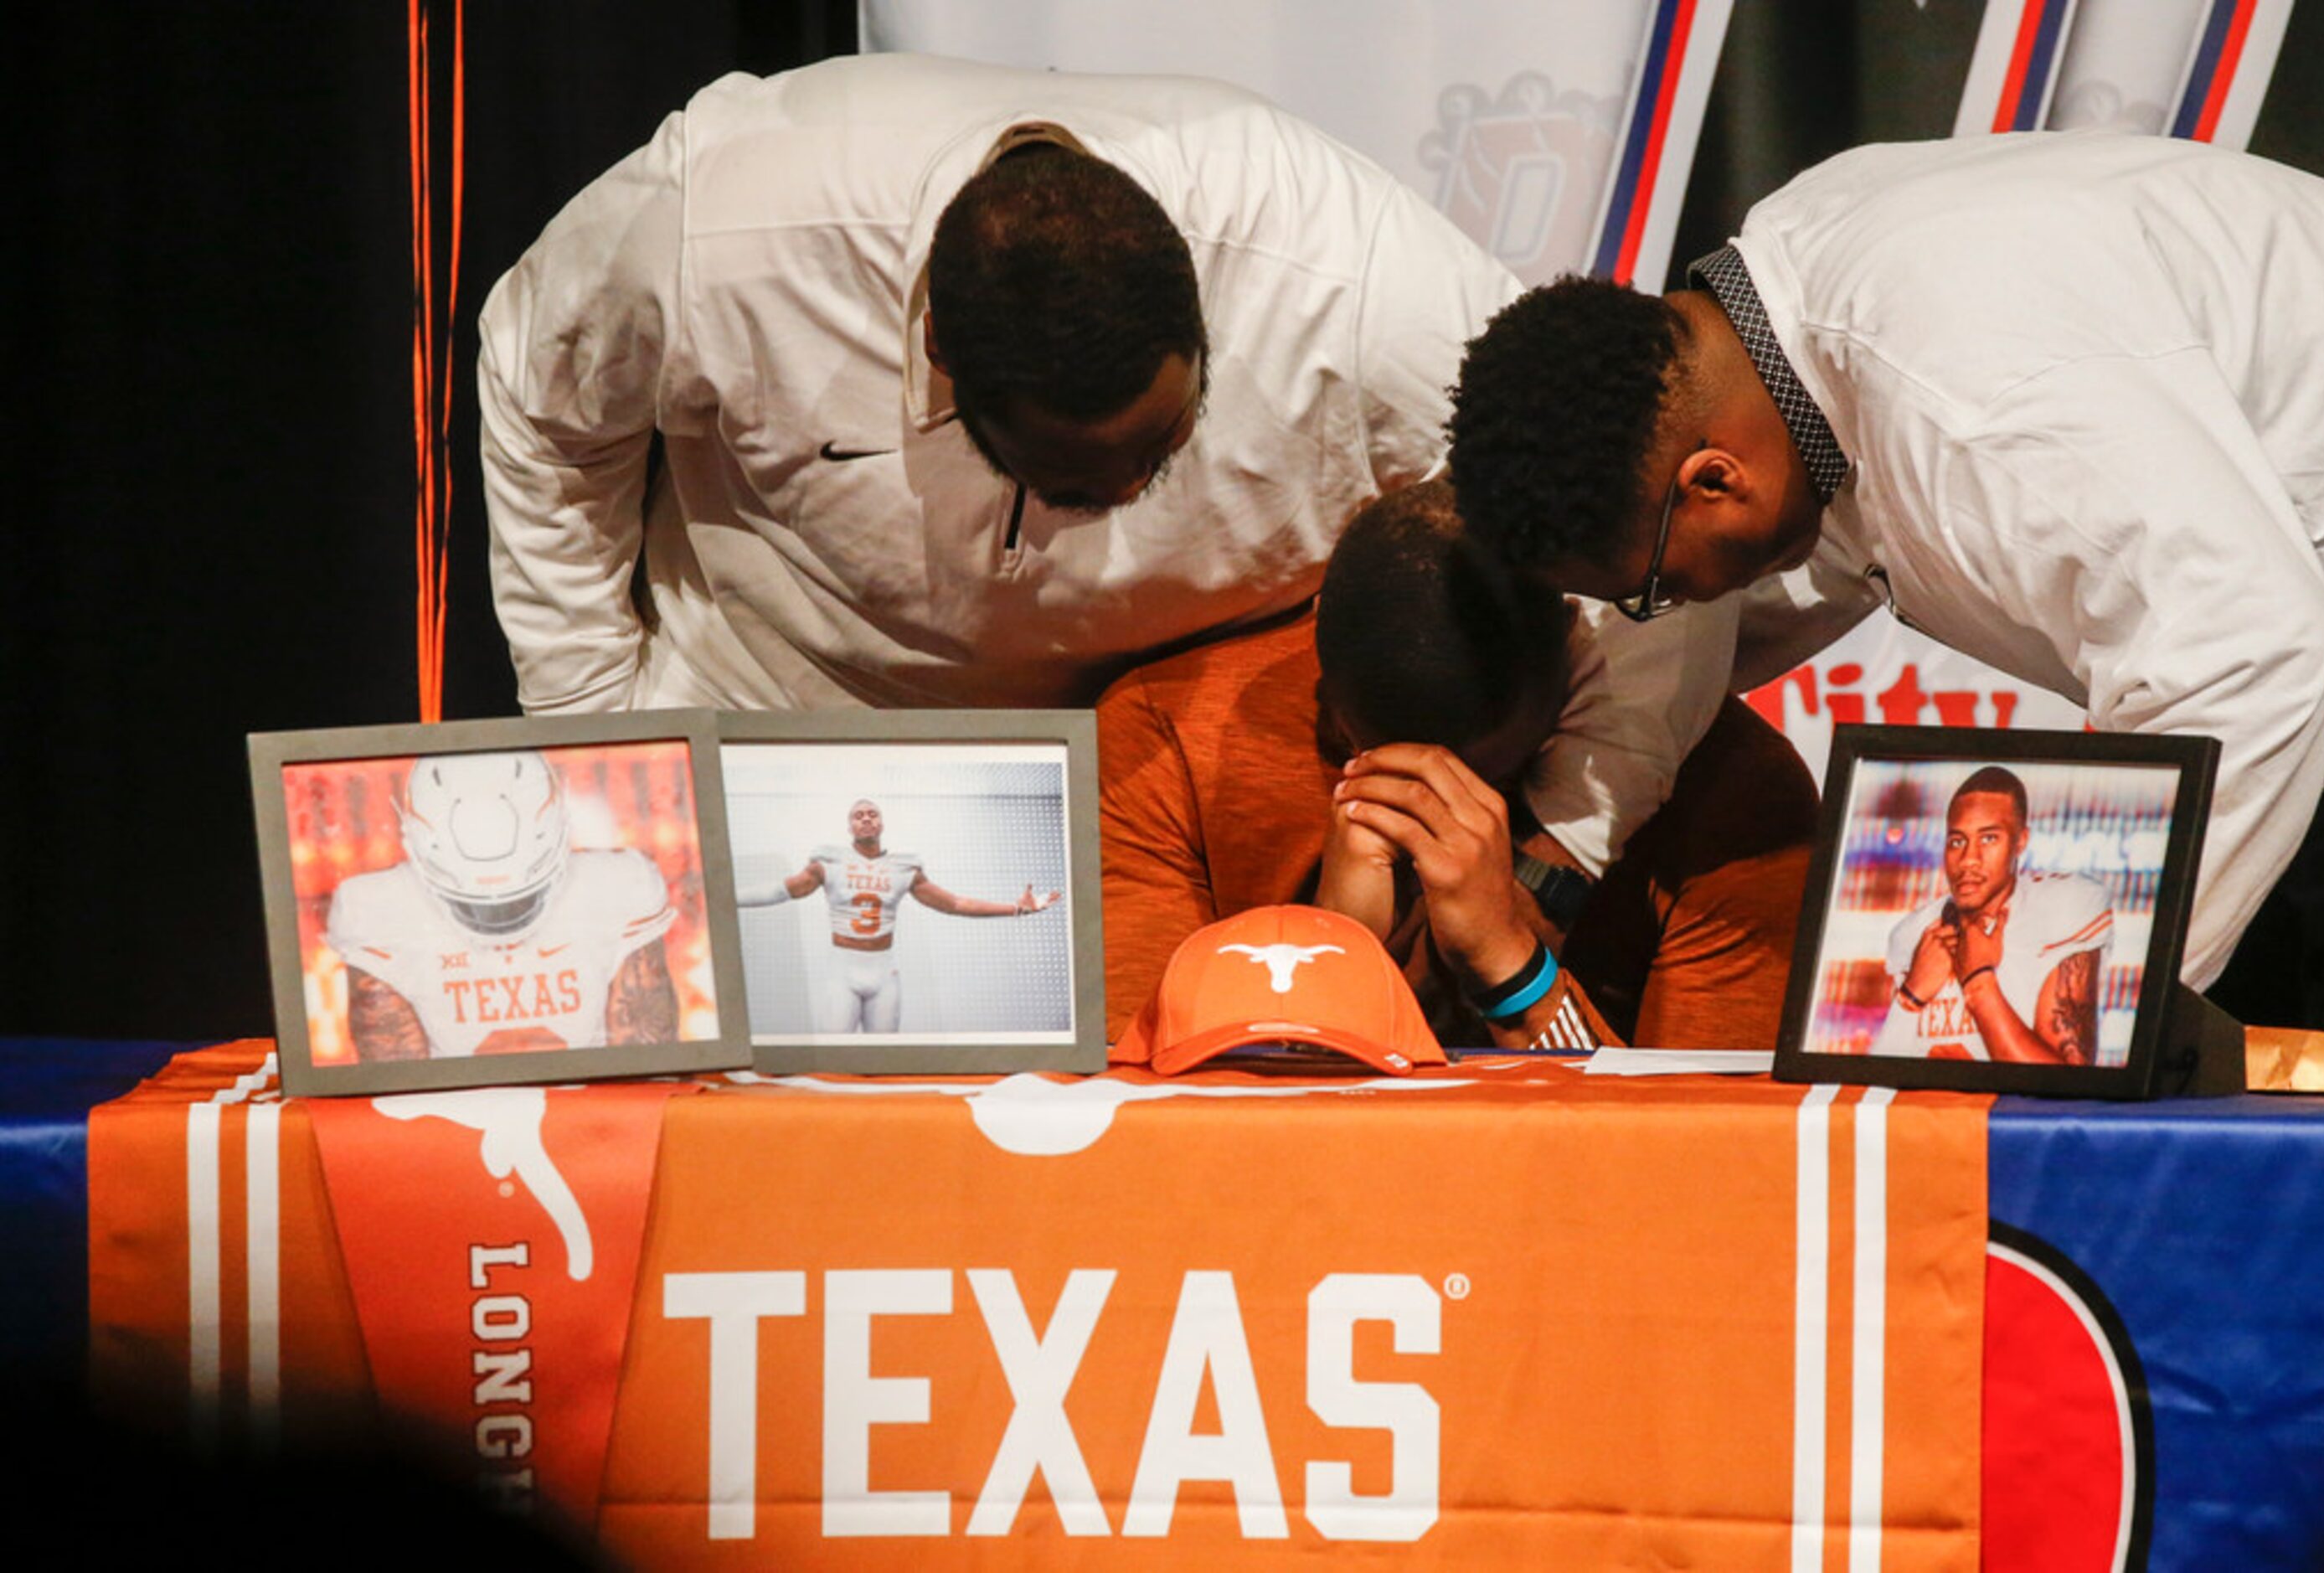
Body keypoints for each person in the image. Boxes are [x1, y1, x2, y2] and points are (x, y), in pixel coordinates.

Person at [478, 52, 1726, 886]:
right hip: (774, 718)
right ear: (939, 359)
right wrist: (608, 754)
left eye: (1160, 449)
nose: (1122, 498)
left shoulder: (1354, 290)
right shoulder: (728, 226)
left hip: (1177, 768)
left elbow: (1645, 538)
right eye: (1076, 480)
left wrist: (1562, 849)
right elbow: (542, 398)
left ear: (1201, 324)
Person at [1445, 132, 2324, 1029]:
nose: (1667, 618)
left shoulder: (1972, 407)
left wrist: (2070, 1024)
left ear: (1715, 481)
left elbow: (2253, 658)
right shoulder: (1797, 303)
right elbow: (1797, 578)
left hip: (2296, 698)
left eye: (1652, 588)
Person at [1096, 480, 1818, 1050]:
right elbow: (1138, 1131)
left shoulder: (1742, 805)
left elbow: (1700, 1174)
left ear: (1574, 648)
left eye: (1502, 775)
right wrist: (1331, 957)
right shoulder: (1162, 746)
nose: (1443, 812)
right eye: (1384, 768)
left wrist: (1513, 972)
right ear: (1324, 696)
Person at [324, 751, 678, 1060]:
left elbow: (646, 1056)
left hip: (590, 1112)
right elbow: (397, 1085)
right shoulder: (373, 910)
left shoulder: (619, 885)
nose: (498, 913)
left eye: (520, 899)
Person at [739, 798, 1062, 1034]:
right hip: (843, 969)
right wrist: (729, 899)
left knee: (884, 1059)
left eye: (872, 814)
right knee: (833, 1057)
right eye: (858, 815)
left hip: (884, 970)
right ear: (849, 826)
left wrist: (1017, 908)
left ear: (881, 823)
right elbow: (782, 891)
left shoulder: (903, 866)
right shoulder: (828, 863)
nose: (866, 819)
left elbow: (954, 904)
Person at [1870, 768, 2112, 1065]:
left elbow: (2069, 1086)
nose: (1969, 860)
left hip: (2005, 1113)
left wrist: (1978, 982)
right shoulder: (1913, 933)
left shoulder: (2064, 905)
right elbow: (1876, 1084)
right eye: (1957, 842)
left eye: (1988, 839)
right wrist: (1911, 997)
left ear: (2020, 841)